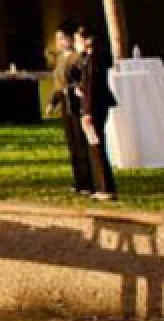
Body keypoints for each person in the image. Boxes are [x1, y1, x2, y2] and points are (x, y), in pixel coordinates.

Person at [72, 26, 120, 200]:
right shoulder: (91, 59)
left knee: (96, 145)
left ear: (87, 40)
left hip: (93, 107)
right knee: (95, 145)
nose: (76, 44)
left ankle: (105, 187)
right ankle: (98, 185)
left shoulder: (93, 60)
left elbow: (92, 87)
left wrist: (87, 112)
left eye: (78, 40)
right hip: (96, 105)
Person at [51, 24, 95, 196]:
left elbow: (81, 81)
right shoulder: (61, 58)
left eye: (62, 38)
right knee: (73, 145)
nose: (59, 42)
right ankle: (79, 180)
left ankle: (87, 181)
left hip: (77, 104)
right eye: (58, 38)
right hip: (66, 103)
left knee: (81, 142)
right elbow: (58, 83)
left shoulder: (78, 59)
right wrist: (53, 101)